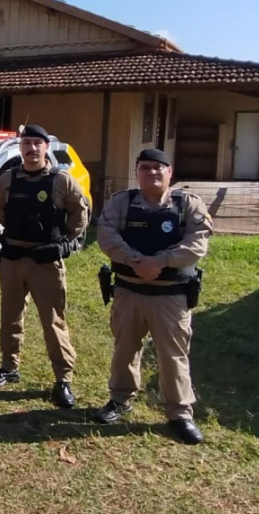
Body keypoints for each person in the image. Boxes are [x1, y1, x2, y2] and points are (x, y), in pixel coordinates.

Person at [93, 148, 213, 445]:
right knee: (125, 349)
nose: (152, 173)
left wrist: (160, 261)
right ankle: (120, 400)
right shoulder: (122, 203)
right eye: (145, 168)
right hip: (129, 292)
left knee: (173, 356)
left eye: (158, 168)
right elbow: (106, 234)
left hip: (170, 298)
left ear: (169, 172)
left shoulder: (188, 204)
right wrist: (136, 261)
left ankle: (180, 414)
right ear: (137, 172)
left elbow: (197, 243)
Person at [0, 124, 89, 409]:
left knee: (53, 321)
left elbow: (78, 215)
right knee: (10, 316)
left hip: (45, 262)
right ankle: (9, 366)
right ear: (20, 147)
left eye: (36, 143)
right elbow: (0, 209)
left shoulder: (61, 180)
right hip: (13, 259)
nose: (31, 149)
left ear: (46, 147)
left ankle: (63, 380)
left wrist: (63, 242)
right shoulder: (7, 179)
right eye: (26, 143)